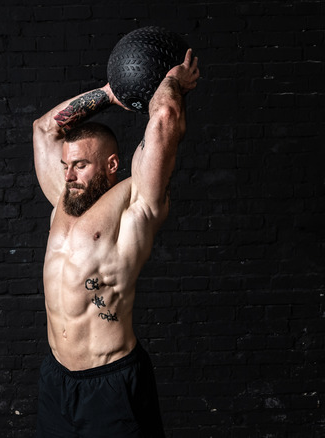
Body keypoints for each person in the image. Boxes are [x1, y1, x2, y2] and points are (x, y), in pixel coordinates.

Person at [32, 48, 200, 437]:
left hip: (112, 384)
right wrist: (111, 92)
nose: (69, 174)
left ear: (110, 165)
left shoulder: (136, 203)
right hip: (56, 382)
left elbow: (163, 120)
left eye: (81, 165)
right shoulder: (64, 200)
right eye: (66, 165)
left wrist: (170, 82)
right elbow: (44, 129)